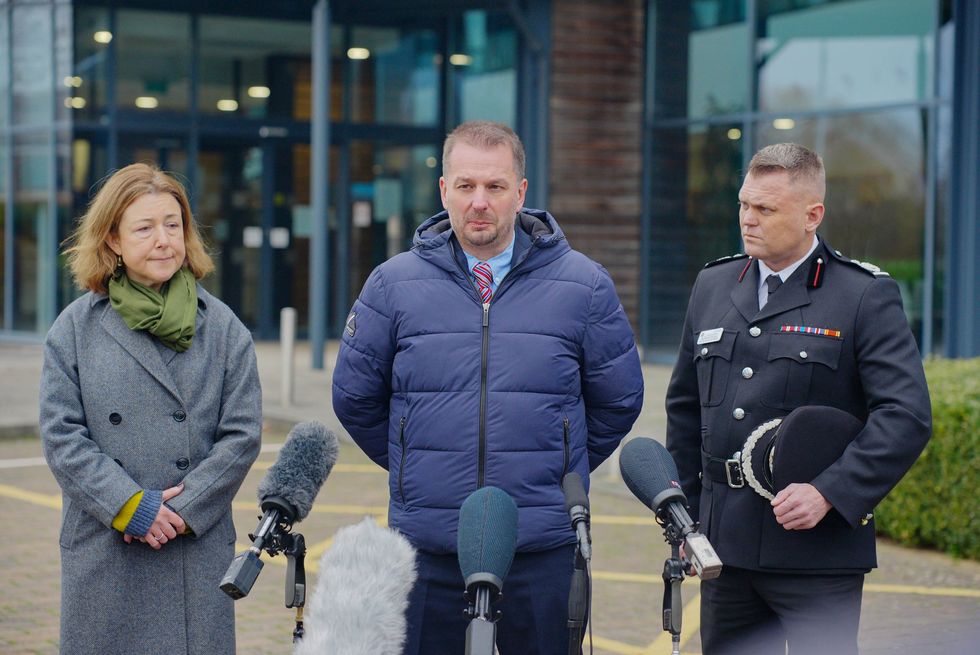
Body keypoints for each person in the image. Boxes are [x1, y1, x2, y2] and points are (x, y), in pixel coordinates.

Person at [332, 120, 644, 654]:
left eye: (495, 187)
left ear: (520, 193)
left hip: (541, 546)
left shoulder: (584, 285)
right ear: (444, 190)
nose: (480, 202)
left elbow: (618, 399)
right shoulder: (392, 284)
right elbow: (355, 397)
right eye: (466, 186)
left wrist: (558, 464)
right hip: (430, 546)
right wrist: (414, 463)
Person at [665, 143, 931, 655]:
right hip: (726, 550)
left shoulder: (861, 295)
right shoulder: (713, 285)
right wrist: (688, 518)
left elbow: (906, 415)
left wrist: (831, 491)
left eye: (765, 209)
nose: (748, 219)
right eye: (744, 204)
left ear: (813, 215)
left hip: (817, 552)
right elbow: (684, 408)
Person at [39, 163, 262, 655]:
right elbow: (61, 436)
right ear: (113, 240)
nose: (163, 240)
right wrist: (129, 505)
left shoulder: (223, 328)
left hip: (191, 544)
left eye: (173, 224)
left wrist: (180, 511)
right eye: (144, 228)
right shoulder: (75, 329)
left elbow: (242, 435)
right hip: (106, 540)